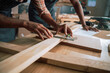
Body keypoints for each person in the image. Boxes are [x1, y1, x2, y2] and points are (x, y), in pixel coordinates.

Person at [0, 0, 97, 42]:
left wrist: (56, 25)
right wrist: (25, 23)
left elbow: (42, 11)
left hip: (5, 13)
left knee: (7, 44)